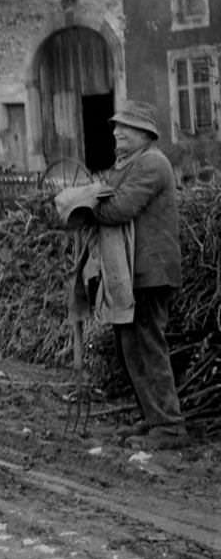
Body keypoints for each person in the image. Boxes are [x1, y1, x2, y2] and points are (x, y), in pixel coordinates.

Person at [90, 101, 187, 449]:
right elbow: (109, 191)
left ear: (145, 134)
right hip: (133, 272)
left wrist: (84, 204)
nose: (116, 132)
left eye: (125, 128)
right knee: (131, 347)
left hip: (152, 271)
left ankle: (170, 426)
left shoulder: (152, 163)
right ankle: (153, 418)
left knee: (148, 346)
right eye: (116, 127)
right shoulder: (130, 164)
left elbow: (118, 208)